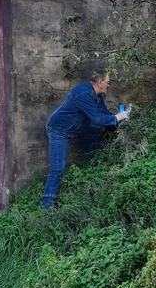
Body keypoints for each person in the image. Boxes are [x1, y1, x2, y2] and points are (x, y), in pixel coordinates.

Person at [41, 71, 128, 209]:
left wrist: (119, 126)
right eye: (107, 82)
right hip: (59, 130)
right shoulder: (83, 94)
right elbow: (97, 119)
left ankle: (94, 168)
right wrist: (118, 117)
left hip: (74, 128)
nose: (108, 86)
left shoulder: (97, 96)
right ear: (100, 83)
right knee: (58, 168)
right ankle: (47, 206)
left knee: (95, 134)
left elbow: (104, 114)